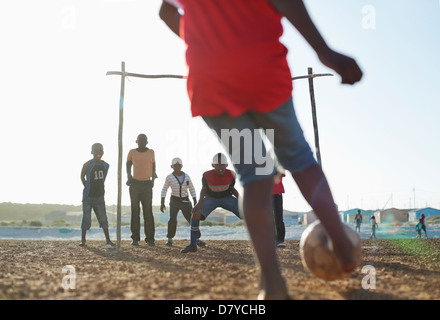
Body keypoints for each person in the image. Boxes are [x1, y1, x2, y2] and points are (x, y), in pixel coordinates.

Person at [159, 0, 363, 299]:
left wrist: (206, 42)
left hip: (211, 77)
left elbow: (165, 11)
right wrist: (324, 50)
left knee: (254, 174)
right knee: (300, 159)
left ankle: (272, 283)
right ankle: (340, 242)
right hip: (261, 70)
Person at [181, 153, 241, 253]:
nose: (220, 168)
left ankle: (260, 243)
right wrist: (199, 202)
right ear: (213, 165)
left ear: (227, 165)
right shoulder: (206, 175)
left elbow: (232, 188)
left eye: (223, 165)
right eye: (217, 165)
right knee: (195, 214)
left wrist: (242, 200)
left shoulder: (232, 174)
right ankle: (193, 245)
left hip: (226, 197)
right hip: (211, 198)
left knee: (248, 213)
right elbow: (204, 189)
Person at [160, 157, 204, 246]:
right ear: (171, 166)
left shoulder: (187, 176)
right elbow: (164, 189)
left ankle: (197, 238)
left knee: (192, 219)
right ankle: (170, 239)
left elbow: (191, 188)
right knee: (172, 220)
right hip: (174, 201)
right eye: (175, 166)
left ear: (182, 166)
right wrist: (162, 202)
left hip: (186, 201)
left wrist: (195, 200)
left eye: (179, 165)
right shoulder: (169, 177)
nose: (177, 167)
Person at [80, 143, 114, 248]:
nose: (98, 153)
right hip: (88, 196)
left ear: (103, 152)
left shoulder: (106, 165)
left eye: (100, 151)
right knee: (86, 217)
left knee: (103, 217)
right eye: (96, 151)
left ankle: (108, 240)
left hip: (100, 196)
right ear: (92, 152)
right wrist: (87, 186)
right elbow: (82, 177)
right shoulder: (87, 164)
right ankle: (83, 240)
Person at [126, 133, 157, 246]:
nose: (142, 142)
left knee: (148, 211)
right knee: (135, 211)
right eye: (140, 140)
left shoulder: (151, 152)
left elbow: (154, 166)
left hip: (147, 185)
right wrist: (129, 177)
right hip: (135, 184)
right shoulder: (132, 152)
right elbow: (128, 165)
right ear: (136, 141)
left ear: (147, 142)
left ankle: (150, 239)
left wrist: (152, 181)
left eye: (144, 140)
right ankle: (135, 238)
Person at [273, 171, 286, 248]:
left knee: (278, 217)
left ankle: (280, 240)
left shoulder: (278, 163)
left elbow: (279, 176)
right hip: (264, 192)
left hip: (277, 193)